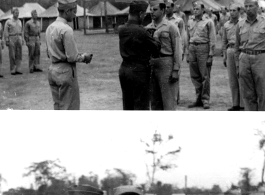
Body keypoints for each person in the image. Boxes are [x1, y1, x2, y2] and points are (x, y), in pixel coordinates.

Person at [46, 0, 93, 110]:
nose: (75, 14)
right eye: (74, 11)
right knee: (70, 107)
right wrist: (84, 57)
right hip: (65, 72)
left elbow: (48, 53)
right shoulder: (66, 29)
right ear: (67, 11)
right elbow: (72, 57)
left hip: (52, 70)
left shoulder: (50, 28)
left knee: (58, 107)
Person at [118, 1, 161, 110]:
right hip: (139, 72)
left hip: (124, 69)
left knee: (128, 105)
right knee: (141, 106)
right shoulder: (142, 31)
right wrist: (154, 36)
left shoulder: (121, 29)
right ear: (140, 13)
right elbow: (156, 49)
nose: (144, 17)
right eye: (144, 14)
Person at [146, 0, 182, 110]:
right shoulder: (147, 28)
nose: (152, 12)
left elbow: (177, 49)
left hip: (166, 64)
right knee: (155, 102)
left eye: (155, 9)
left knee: (168, 102)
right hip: (152, 65)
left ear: (163, 10)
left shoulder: (171, 27)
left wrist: (176, 70)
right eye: (151, 9)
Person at [235, 0, 265, 111]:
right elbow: (237, 46)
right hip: (244, 58)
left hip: (260, 58)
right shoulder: (240, 24)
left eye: (251, 6)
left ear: (257, 7)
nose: (248, 8)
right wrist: (238, 64)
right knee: (247, 94)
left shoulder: (264, 22)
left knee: (263, 92)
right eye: (246, 6)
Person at [186, 1, 216, 109]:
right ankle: (198, 99)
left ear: (203, 10)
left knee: (205, 75)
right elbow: (187, 37)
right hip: (192, 47)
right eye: (194, 9)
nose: (195, 10)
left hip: (204, 48)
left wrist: (210, 55)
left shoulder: (209, 22)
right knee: (195, 75)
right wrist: (187, 52)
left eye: (197, 9)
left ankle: (205, 99)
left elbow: (212, 39)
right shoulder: (190, 21)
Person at [222, 4, 244, 111]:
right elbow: (224, 41)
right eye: (230, 10)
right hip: (230, 50)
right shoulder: (226, 25)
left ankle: (243, 104)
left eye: (234, 10)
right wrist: (224, 55)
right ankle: (235, 104)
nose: (232, 12)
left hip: (240, 51)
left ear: (239, 11)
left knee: (242, 77)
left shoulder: (244, 23)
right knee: (232, 79)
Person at [165, 0, 186, 105]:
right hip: (165, 50)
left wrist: (182, 52)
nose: (166, 9)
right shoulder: (161, 20)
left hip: (176, 50)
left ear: (173, 8)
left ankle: (176, 98)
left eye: (168, 7)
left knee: (176, 73)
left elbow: (182, 37)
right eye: (165, 7)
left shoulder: (179, 20)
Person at [4, 7, 23, 75]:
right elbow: (6, 31)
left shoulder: (20, 21)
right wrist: (7, 40)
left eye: (18, 13)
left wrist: (22, 39)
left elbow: (21, 31)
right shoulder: (8, 21)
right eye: (15, 13)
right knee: (12, 54)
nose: (17, 14)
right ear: (13, 13)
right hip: (12, 38)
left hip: (19, 38)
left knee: (19, 54)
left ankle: (18, 69)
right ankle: (13, 69)